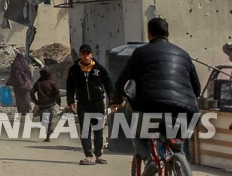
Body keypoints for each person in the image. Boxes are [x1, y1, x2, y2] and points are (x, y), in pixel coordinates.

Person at [113, 17, 201, 176]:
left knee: (139, 134)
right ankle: (177, 152)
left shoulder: (140, 52)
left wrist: (116, 100)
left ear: (149, 34)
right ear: (168, 33)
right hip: (185, 109)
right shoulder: (184, 54)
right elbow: (197, 87)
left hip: (151, 106)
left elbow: (122, 80)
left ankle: (149, 160)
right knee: (175, 136)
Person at [67, 43, 115, 165]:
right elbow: (70, 87)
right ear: (80, 54)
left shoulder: (99, 69)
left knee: (98, 130)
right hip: (83, 104)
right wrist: (70, 101)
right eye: (83, 53)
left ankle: (98, 155)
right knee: (85, 130)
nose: (85, 56)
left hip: (98, 103)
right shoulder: (74, 70)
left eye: (87, 53)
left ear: (91, 54)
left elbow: (109, 86)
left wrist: (113, 101)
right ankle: (88, 156)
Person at [32, 68, 61, 140]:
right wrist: (57, 101)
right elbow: (57, 92)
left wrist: (36, 101)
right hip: (50, 104)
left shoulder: (38, 83)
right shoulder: (52, 82)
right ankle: (48, 133)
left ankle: (48, 133)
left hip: (41, 104)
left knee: (43, 120)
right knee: (49, 120)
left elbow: (31, 92)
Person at [7, 51, 34, 116]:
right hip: (27, 85)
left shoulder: (16, 65)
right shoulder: (26, 65)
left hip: (19, 86)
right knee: (26, 99)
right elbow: (30, 76)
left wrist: (8, 83)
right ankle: (26, 112)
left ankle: (22, 113)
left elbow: (14, 76)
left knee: (19, 100)